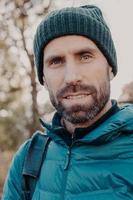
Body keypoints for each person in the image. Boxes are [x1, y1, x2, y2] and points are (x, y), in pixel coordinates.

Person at [2, 4, 133, 200]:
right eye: (56, 61)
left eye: (85, 56)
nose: (72, 77)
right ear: (44, 79)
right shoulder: (27, 160)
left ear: (110, 68)